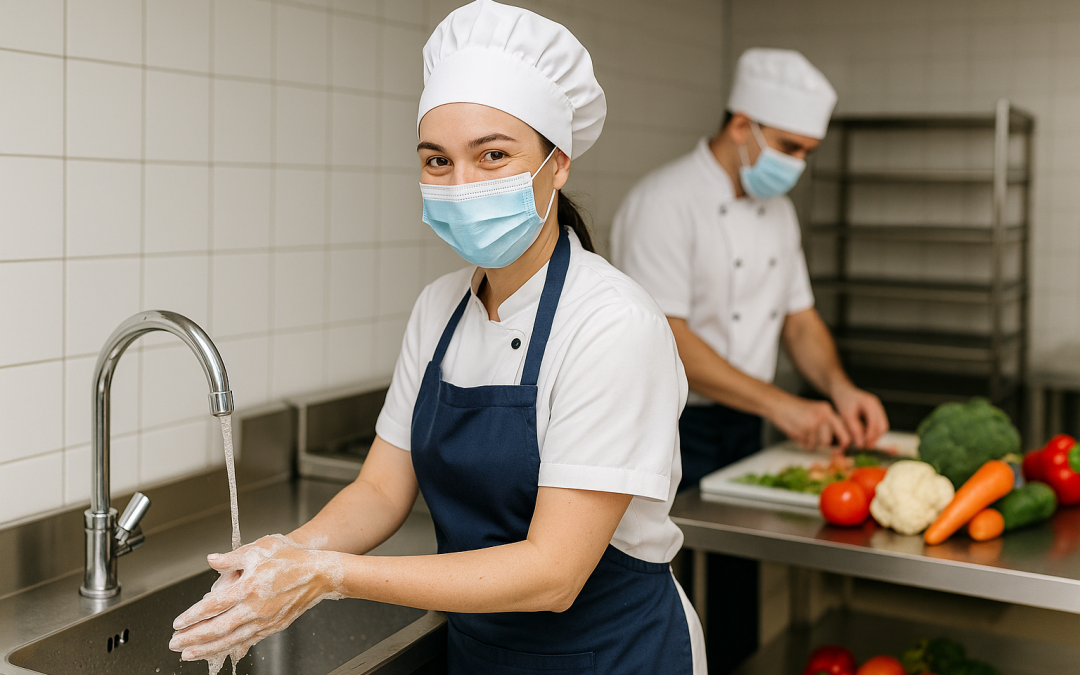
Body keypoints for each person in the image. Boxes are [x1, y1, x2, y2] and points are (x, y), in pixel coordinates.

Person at [168, 2, 705, 673]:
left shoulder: (610, 322)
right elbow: (381, 490)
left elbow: (553, 572)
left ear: (557, 163)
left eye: (493, 155)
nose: (462, 185)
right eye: (437, 160)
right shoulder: (439, 307)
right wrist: (281, 561)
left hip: (612, 655)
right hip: (483, 654)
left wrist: (327, 575)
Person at [610, 48, 889, 673]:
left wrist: (840, 388)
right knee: (666, 588)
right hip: (668, 429)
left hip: (743, 423)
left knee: (735, 580)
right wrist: (784, 405)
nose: (797, 164)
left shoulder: (778, 211)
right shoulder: (664, 202)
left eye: (806, 153)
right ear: (742, 126)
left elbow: (800, 316)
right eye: (790, 146)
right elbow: (668, 338)